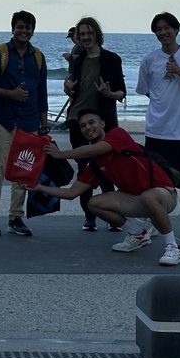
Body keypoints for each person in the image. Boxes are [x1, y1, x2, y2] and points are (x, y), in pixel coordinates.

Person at [38, 109, 180, 266]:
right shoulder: (95, 164)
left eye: (91, 122)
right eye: (83, 126)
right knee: (93, 203)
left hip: (164, 194)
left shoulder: (118, 135)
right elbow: (71, 193)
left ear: (102, 124)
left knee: (149, 197)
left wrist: (60, 154)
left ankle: (173, 247)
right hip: (136, 199)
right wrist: (38, 187)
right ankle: (137, 234)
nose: (87, 127)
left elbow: (94, 149)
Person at [136, 11, 180, 245]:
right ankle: (152, 221)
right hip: (156, 129)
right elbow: (147, 90)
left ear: (176, 30)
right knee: (152, 179)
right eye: (158, 29)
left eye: (167, 27)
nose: (163, 32)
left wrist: (179, 72)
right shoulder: (149, 60)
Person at [0, 10, 48, 237]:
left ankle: (16, 217)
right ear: (13, 28)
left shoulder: (38, 56)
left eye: (28, 27)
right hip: (2, 117)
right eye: (20, 27)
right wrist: (10, 94)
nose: (24, 31)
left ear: (33, 30)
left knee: (23, 170)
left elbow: (42, 93)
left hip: (29, 120)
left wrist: (43, 124)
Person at [63, 16, 126, 231]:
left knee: (107, 167)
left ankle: (111, 215)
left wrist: (108, 93)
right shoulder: (77, 59)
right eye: (82, 34)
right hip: (77, 119)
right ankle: (89, 215)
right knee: (84, 167)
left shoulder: (111, 59)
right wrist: (67, 89)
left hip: (103, 121)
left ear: (97, 34)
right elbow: (72, 89)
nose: (86, 37)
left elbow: (121, 92)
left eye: (90, 33)